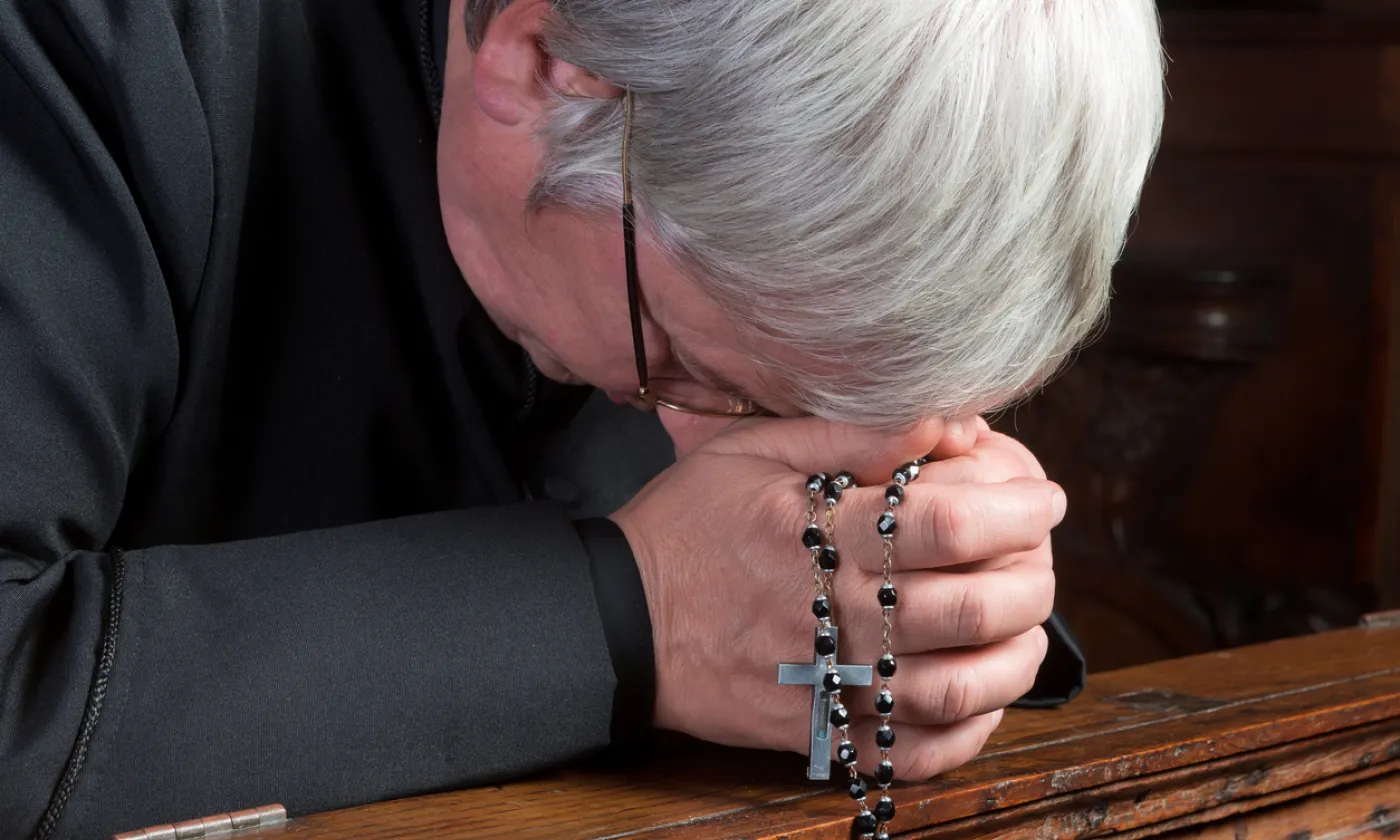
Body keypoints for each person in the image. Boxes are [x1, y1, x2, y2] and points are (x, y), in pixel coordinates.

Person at [0, 0, 1164, 837]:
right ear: (541, 66)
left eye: (824, 406)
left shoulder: (716, 208)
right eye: (698, 368)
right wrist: (640, 615)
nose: (744, 456)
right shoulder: (85, 45)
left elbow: (821, 647)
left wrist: (919, 597)